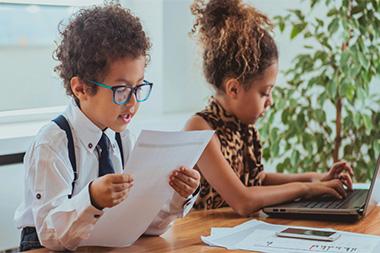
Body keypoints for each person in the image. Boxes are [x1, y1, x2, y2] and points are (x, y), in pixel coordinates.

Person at [14, 3, 200, 251]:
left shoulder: (122, 138)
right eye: (121, 90)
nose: (133, 102)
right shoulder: (53, 144)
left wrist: (179, 196)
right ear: (80, 89)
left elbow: (145, 227)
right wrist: (91, 199)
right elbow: (50, 235)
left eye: (139, 87)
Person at [185, 0, 353, 216]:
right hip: (198, 244)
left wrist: (315, 178)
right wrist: (306, 189)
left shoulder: (241, 126)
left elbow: (258, 180)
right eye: (265, 93)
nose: (270, 102)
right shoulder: (201, 130)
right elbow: (243, 199)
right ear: (234, 89)